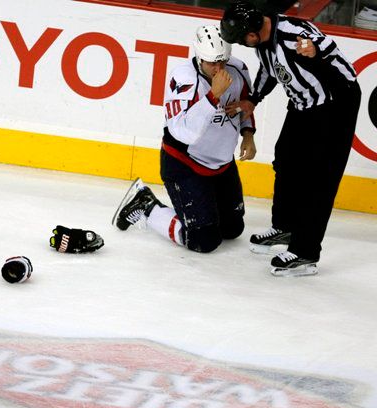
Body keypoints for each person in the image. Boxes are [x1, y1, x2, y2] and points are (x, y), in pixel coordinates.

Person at [220, 1, 361, 276]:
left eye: (241, 40)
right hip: (303, 104)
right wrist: (253, 100)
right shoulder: (262, 40)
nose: (242, 44)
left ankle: (306, 251)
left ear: (252, 32)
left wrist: (315, 51)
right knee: (285, 160)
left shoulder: (294, 32)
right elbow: (269, 70)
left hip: (336, 105)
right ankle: (284, 228)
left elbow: (337, 58)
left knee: (319, 179)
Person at [113, 25, 256, 254]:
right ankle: (146, 205)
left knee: (232, 229)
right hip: (185, 165)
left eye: (222, 62)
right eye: (212, 63)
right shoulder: (184, 79)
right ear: (199, 57)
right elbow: (184, 132)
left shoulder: (238, 69)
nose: (219, 69)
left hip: (222, 163)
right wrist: (213, 96)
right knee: (203, 241)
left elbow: (246, 102)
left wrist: (248, 134)